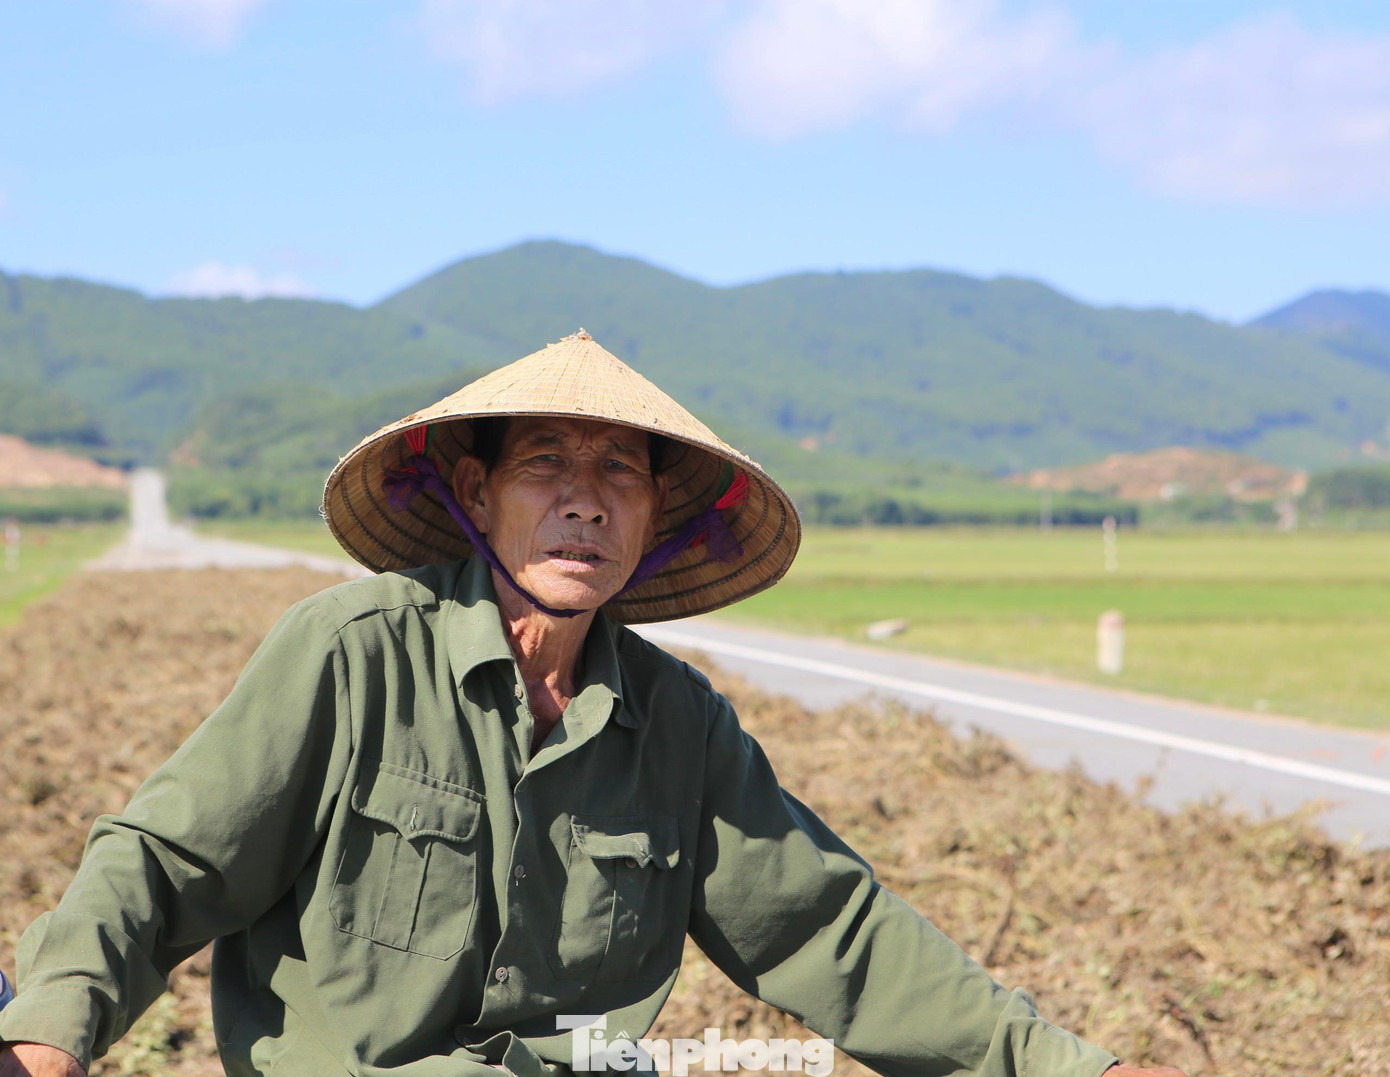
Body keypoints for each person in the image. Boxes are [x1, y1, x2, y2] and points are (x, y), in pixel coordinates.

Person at [0, 332, 1185, 1077]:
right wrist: (53, 1029)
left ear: (656, 516)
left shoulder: (677, 723)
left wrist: (1065, 1066)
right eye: (546, 466)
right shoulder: (351, 654)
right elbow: (165, 865)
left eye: (618, 471)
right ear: (476, 491)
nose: (584, 502)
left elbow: (827, 930)